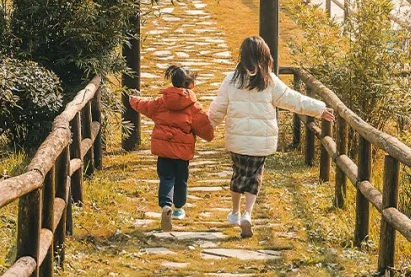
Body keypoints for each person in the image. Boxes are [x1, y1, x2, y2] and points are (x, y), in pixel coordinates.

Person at [208, 35, 333, 237]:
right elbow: (294, 100)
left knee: (238, 174)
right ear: (264, 55)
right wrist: (319, 109)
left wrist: (206, 127)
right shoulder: (269, 81)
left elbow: (217, 108)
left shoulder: (231, 80)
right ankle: (247, 214)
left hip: (237, 140)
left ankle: (234, 212)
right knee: (254, 177)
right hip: (261, 141)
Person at [130, 66, 215, 230]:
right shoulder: (193, 106)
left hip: (164, 150)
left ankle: (165, 206)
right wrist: (210, 135)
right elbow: (204, 127)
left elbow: (146, 106)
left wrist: (133, 100)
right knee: (181, 180)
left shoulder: (162, 101)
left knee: (166, 178)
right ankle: (178, 208)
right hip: (182, 154)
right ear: (190, 85)